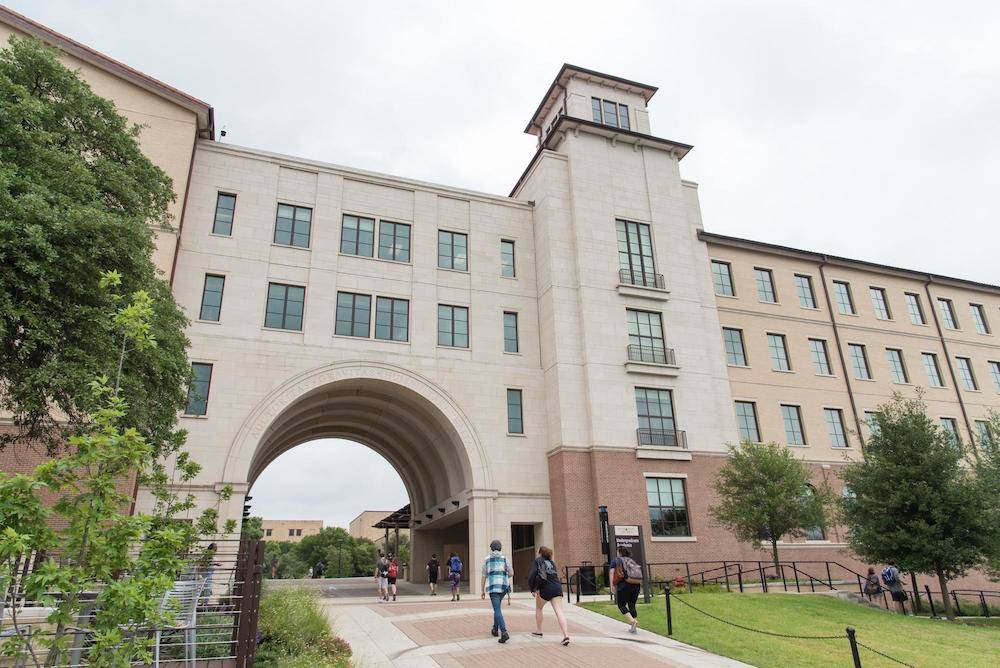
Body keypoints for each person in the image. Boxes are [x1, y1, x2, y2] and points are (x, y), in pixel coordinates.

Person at [527, 546, 569, 646]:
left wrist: (533, 588)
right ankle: (566, 635)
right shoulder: (552, 563)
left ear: (540, 553)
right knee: (559, 611)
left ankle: (539, 631)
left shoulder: (538, 561)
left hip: (545, 588)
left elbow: (532, 575)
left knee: (539, 608)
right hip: (557, 587)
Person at [480, 539, 513, 644]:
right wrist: (503, 577)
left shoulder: (487, 559)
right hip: (504, 587)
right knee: (497, 608)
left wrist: (482, 590)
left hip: (493, 588)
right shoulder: (504, 559)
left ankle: (503, 632)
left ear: (491, 548)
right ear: (500, 548)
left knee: (497, 609)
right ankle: (495, 629)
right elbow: (511, 573)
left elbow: (484, 576)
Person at [610, 546, 642, 634]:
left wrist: (612, 585)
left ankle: (632, 621)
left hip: (624, 585)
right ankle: (633, 628)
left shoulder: (616, 560)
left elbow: (612, 572)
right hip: (636, 584)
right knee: (632, 604)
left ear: (619, 552)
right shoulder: (631, 560)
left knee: (621, 605)